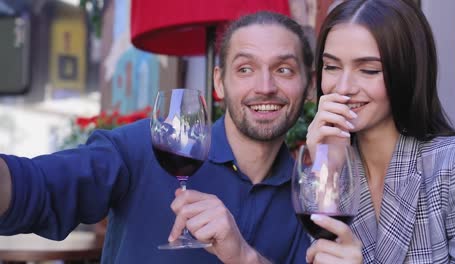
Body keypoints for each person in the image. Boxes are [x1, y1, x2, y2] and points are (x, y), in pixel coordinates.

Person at [0, 11, 315, 263]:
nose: (265, 86)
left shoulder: (310, 200)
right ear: (219, 82)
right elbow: (42, 185)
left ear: (308, 84)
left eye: (284, 70)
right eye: (245, 69)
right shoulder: (145, 147)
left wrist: (245, 258)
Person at [304, 0, 455, 263]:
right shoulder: (329, 173)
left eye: (368, 70)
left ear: (406, 72)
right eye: (331, 67)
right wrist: (328, 166)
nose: (343, 87)